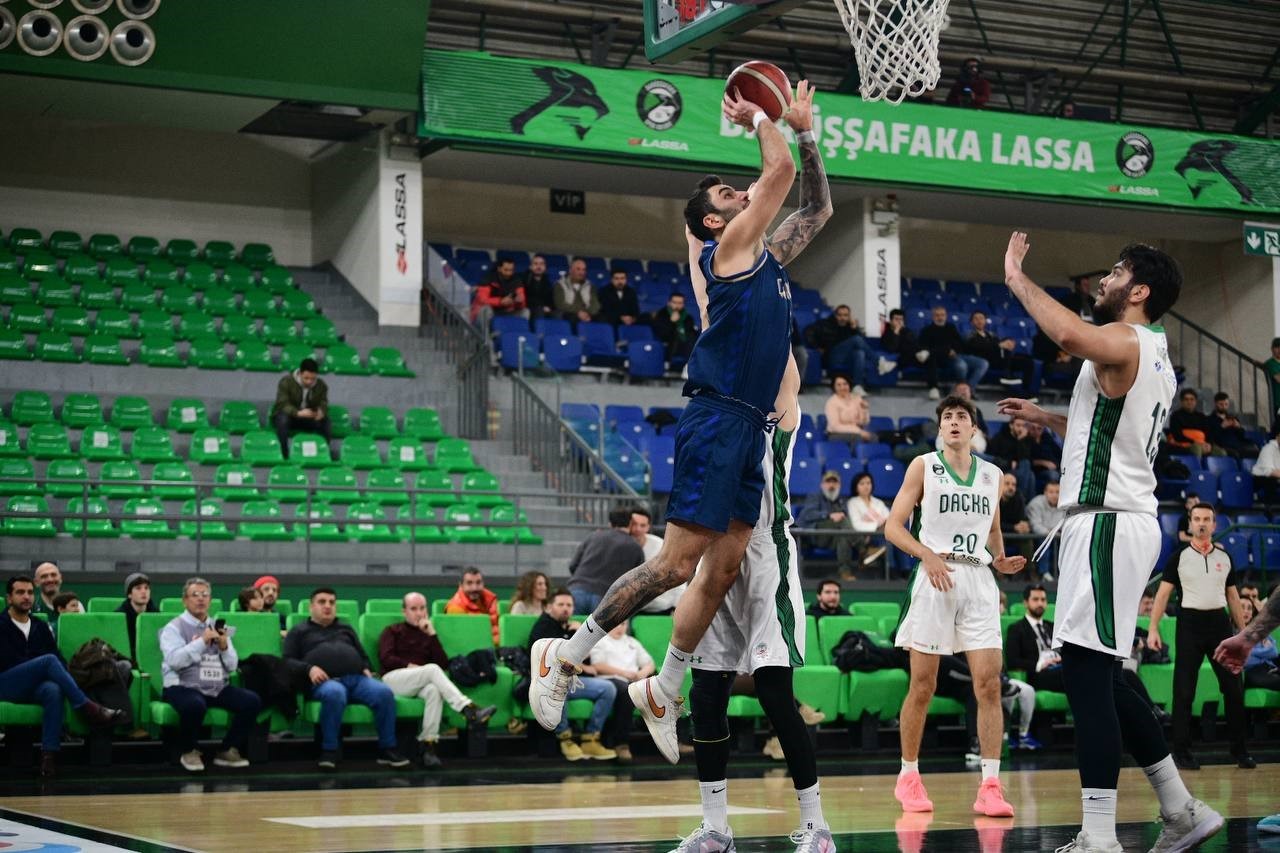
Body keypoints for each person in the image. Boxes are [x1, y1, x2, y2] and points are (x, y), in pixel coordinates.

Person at [528, 81, 832, 779]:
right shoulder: (729, 251)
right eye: (728, 195)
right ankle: (564, 656)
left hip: (751, 428)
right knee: (675, 565)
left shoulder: (765, 256)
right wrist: (762, 115)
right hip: (717, 417)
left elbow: (815, 205)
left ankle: (663, 688)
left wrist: (808, 134)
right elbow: (779, 174)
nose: (743, 193)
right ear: (715, 222)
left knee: (722, 567)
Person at [998, 233, 1222, 852]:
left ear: (1140, 290)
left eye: (1117, 272)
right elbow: (1105, 427)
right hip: (1118, 522)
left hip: (1107, 523)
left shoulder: (1127, 338)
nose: (1104, 280)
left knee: (1085, 676)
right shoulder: (1155, 354)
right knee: (1100, 673)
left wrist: (1016, 276)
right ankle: (1180, 809)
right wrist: (1046, 417)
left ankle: (1099, 835)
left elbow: (1069, 335)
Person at [676, 355, 835, 853]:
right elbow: (711, 348)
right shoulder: (721, 411)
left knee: (773, 691)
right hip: (717, 552)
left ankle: (816, 827)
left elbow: (787, 367)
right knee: (706, 695)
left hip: (768, 553)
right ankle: (715, 828)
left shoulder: (777, 410)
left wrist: (768, 309)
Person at [884, 394, 1024, 818]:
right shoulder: (923, 466)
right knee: (923, 685)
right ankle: (908, 774)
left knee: (990, 684)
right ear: (941, 428)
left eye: (962, 416)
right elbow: (893, 527)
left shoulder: (993, 474)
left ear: (974, 428)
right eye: (948, 417)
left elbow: (993, 530)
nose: (955, 422)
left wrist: (1000, 559)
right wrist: (925, 554)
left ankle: (991, 786)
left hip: (978, 580)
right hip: (935, 576)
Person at [1147, 503, 1252, 770]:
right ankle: (1182, 753)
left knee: (1233, 688)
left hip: (1219, 625)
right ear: (1190, 523)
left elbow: (1233, 597)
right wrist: (1153, 628)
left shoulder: (1225, 558)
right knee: (1184, 691)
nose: (1202, 523)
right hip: (1190, 625)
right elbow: (1162, 595)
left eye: (1207, 519)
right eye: (1197, 519)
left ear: (1214, 525)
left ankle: (1240, 751)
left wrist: (1243, 633)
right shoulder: (1179, 558)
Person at [0, 575, 124, 777]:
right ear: (9, 598)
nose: (26, 597)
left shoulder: (39, 625)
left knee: (53, 690)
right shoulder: (2, 624)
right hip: (6, 683)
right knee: (47, 661)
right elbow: (7, 661)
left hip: (33, 686)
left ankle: (49, 756)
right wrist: (39, 667)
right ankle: (87, 706)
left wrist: (51, 673)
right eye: (20, 592)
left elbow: (56, 656)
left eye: (30, 592)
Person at [284, 588, 410, 770]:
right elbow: (287, 661)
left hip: (356, 679)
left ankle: (387, 749)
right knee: (335, 693)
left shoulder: (346, 629)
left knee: (384, 693)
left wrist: (366, 668)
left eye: (332, 602)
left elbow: (362, 655)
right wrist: (309, 669)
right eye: (322, 602)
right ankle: (329, 751)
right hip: (324, 682)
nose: (328, 606)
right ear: (311, 607)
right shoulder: (299, 631)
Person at [377, 592, 497, 768]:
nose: (419, 613)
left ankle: (428, 747)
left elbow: (443, 664)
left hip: (420, 682)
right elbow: (385, 658)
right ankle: (468, 709)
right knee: (431, 670)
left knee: (434, 691)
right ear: (404, 611)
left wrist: (432, 634)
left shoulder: (428, 634)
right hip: (393, 679)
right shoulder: (392, 631)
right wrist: (409, 666)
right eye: (413, 609)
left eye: (422, 608)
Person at [159, 577, 261, 772]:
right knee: (194, 705)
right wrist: (201, 641)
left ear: (210, 600)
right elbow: (174, 661)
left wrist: (224, 647)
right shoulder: (173, 628)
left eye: (205, 595)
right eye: (195, 595)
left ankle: (226, 749)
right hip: (182, 686)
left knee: (252, 701)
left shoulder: (219, 627)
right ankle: (188, 750)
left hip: (215, 686)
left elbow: (232, 666)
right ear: (185, 600)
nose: (200, 599)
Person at [528, 588, 617, 761]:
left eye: (569, 605)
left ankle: (591, 739)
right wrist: (583, 666)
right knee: (561, 689)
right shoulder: (544, 626)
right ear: (550, 607)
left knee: (608, 689)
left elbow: (586, 656)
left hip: (573, 679)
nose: (565, 609)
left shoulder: (570, 627)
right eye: (561, 604)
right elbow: (555, 659)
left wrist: (579, 633)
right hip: (548, 680)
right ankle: (565, 738)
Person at [587, 619, 654, 762]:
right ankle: (621, 743)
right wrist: (623, 673)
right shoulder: (601, 641)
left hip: (634, 679)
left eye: (623, 624)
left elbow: (649, 663)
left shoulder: (632, 642)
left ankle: (677, 739)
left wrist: (643, 673)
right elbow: (598, 665)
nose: (620, 627)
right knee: (626, 691)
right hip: (609, 679)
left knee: (662, 686)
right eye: (616, 624)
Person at [565, 507, 647, 617]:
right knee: (600, 629)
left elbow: (573, 566)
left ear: (610, 523)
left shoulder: (593, 536)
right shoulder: (635, 547)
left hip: (577, 590)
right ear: (630, 524)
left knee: (571, 627)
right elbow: (639, 581)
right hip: (605, 597)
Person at [919, 306, 988, 400]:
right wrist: (947, 351)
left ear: (946, 316)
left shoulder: (951, 327)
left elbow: (959, 343)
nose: (940, 317)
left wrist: (954, 350)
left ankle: (969, 388)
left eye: (942, 315)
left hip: (957, 354)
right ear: (933, 317)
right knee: (961, 365)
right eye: (937, 315)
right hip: (942, 357)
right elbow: (926, 347)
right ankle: (961, 391)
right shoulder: (927, 330)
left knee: (983, 363)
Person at [271, 358, 332, 461]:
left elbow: (323, 402)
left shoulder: (321, 386)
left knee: (326, 422)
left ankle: (323, 453)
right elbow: (282, 404)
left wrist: (321, 411)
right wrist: (297, 413)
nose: (309, 381)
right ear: (300, 373)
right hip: (290, 416)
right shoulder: (286, 382)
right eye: (306, 378)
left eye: (313, 379)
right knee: (282, 420)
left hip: (307, 417)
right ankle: (283, 455)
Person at [798, 471, 856, 578]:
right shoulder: (815, 496)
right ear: (822, 484)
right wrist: (829, 515)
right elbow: (807, 515)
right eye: (828, 482)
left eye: (835, 482)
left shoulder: (841, 500)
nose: (831, 485)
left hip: (832, 537)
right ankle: (863, 549)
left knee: (844, 537)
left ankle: (845, 573)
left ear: (839, 485)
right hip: (815, 535)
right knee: (842, 521)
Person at [805, 304, 873, 392]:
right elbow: (808, 332)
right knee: (856, 339)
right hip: (831, 355)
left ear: (849, 316)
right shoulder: (825, 323)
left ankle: (857, 386)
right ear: (835, 315)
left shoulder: (851, 326)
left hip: (847, 357)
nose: (842, 318)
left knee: (859, 353)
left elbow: (862, 344)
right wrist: (816, 346)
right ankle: (878, 361)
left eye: (845, 315)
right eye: (840, 315)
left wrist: (854, 329)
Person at [965, 311, 1036, 394]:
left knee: (1028, 361)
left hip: (1000, 360)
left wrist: (1009, 342)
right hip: (984, 359)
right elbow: (978, 346)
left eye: (981, 318)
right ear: (971, 322)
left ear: (985, 320)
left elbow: (999, 343)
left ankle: (1025, 391)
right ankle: (1006, 375)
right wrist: (1000, 345)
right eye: (976, 319)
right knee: (1004, 350)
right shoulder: (969, 334)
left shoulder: (991, 334)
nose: (979, 321)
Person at [633, 508, 687, 616]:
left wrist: (677, 605)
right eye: (634, 524)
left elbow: (677, 573)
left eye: (642, 525)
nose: (638, 529)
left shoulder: (660, 546)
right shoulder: (622, 546)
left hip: (661, 607)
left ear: (648, 527)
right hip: (631, 608)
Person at [443, 567, 499, 645]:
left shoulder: (490, 600)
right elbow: (463, 641)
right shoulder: (455, 608)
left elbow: (496, 628)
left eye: (478, 583)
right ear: (461, 585)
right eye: (469, 583)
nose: (474, 588)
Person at [847, 471, 890, 568]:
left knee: (893, 539)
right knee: (888, 540)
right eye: (862, 483)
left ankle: (901, 569)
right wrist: (877, 526)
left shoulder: (878, 502)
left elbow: (889, 518)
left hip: (884, 533)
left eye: (868, 483)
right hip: (866, 537)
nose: (866, 486)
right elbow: (856, 525)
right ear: (856, 487)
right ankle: (892, 571)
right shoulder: (852, 503)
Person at [987, 417, 1035, 500]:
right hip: (1003, 469)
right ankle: (1021, 499)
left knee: (1030, 473)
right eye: (1018, 425)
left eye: (1023, 426)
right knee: (1029, 475)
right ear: (1011, 425)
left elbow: (1027, 459)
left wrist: (1021, 441)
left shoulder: (1025, 439)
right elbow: (992, 457)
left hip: (1019, 470)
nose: (1020, 428)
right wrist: (1009, 463)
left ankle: (1023, 500)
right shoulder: (1000, 437)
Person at [1166, 388, 1222, 458]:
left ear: (1195, 401)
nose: (1189, 402)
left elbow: (1208, 433)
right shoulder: (1176, 416)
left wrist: (1209, 444)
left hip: (1202, 443)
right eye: (1186, 399)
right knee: (1197, 448)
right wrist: (1194, 442)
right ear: (1182, 401)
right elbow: (1177, 435)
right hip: (1185, 445)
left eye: (1192, 399)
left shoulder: (1201, 416)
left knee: (1220, 452)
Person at [471, 257, 527, 326]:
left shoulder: (517, 280)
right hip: (491, 311)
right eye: (506, 270)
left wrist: (519, 301)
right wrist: (500, 301)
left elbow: (522, 299)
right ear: (499, 269)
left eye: (511, 270)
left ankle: (520, 332)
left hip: (506, 311)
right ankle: (486, 333)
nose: (509, 273)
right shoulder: (488, 278)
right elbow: (483, 300)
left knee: (525, 311)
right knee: (486, 309)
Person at [115, 571, 158, 661]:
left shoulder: (156, 614)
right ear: (129, 594)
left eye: (146, 588)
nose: (144, 592)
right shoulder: (119, 616)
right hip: (126, 659)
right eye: (138, 588)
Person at [1026, 481, 1065, 580]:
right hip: (1037, 537)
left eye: (1057, 492)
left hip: (1056, 536)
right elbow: (1036, 526)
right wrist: (1051, 533)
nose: (1054, 495)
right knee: (1045, 539)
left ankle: (1063, 573)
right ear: (1045, 493)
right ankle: (1044, 573)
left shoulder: (1064, 505)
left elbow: (1065, 525)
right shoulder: (1036, 504)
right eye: (1051, 492)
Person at [1237, 598, 1279, 690]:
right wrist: (1265, 652)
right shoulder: (1230, 633)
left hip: (1270, 667)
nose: (1246, 611)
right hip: (1252, 672)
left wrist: (1251, 651)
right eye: (1242, 607)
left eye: (1249, 608)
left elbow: (1274, 652)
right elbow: (1245, 660)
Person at [824, 375, 875, 444]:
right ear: (834, 387)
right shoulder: (831, 402)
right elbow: (835, 426)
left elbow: (864, 422)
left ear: (849, 385)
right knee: (857, 437)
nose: (842, 387)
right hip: (835, 433)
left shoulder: (856, 398)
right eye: (839, 385)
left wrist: (864, 410)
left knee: (873, 437)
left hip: (857, 431)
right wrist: (858, 431)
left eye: (845, 384)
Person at [650, 292, 699, 362]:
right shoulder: (662, 315)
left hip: (685, 344)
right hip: (669, 344)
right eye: (674, 302)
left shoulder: (688, 318)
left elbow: (691, 333)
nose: (677, 305)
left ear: (683, 304)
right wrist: (671, 322)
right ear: (669, 303)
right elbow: (662, 334)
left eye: (680, 303)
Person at [1208, 392, 1257, 457]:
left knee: (1257, 451)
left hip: (1239, 445)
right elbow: (1211, 437)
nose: (1224, 406)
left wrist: (1238, 427)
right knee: (1236, 454)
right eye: (1221, 404)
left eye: (1226, 404)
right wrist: (1221, 427)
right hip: (1224, 446)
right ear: (1216, 404)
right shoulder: (1210, 419)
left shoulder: (1232, 418)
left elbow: (1242, 435)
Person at [554, 258, 600, 326]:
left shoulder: (590, 286)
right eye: (578, 269)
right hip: (570, 313)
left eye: (583, 270)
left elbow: (595, 304)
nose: (581, 272)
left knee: (602, 318)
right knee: (572, 318)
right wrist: (579, 312)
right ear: (570, 270)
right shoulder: (560, 284)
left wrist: (587, 314)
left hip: (587, 313)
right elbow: (561, 304)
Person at [1251, 423, 1280, 505]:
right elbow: (1269, 472)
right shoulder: (1268, 449)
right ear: (1278, 436)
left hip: (1275, 480)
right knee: (1270, 481)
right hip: (1260, 481)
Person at [523, 254, 556, 320]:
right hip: (530, 308)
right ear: (530, 266)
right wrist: (542, 306)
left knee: (557, 313)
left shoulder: (547, 281)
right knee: (539, 311)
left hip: (544, 309)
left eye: (541, 264)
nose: (539, 266)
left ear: (545, 267)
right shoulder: (525, 279)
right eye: (536, 264)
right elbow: (526, 298)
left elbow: (551, 299)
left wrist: (550, 307)